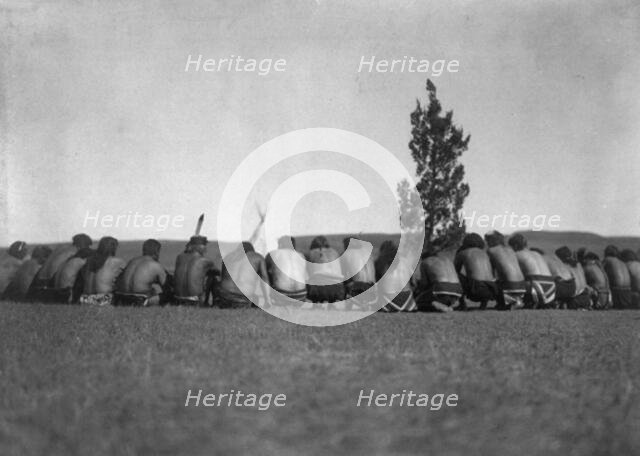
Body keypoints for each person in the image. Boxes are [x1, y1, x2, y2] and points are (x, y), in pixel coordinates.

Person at [31, 233, 92, 301]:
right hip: (59, 292)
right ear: (82, 245)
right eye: (88, 246)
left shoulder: (61, 249)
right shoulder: (76, 254)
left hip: (38, 289)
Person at [454, 233, 504, 310]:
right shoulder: (485, 253)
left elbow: (454, 270)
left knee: (455, 275)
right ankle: (483, 305)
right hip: (492, 290)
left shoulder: (463, 253)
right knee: (484, 279)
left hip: (476, 290)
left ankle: (462, 304)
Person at [114, 239, 170, 306]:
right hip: (139, 300)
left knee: (152, 290)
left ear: (143, 250)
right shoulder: (155, 265)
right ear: (157, 252)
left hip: (121, 298)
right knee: (168, 295)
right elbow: (166, 288)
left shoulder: (133, 261)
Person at [216, 241, 270, 308]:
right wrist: (267, 300)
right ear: (251, 251)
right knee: (256, 299)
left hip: (224, 296)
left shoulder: (228, 257)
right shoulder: (257, 257)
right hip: (242, 299)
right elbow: (264, 279)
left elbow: (222, 277)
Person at [508, 234, 556, 308]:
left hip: (537, 286)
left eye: (511, 247)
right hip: (551, 288)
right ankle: (536, 302)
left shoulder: (516, 255)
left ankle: (517, 301)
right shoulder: (537, 254)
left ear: (515, 246)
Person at [415, 244, 463, 312]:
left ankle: (436, 305)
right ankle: (449, 304)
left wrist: (417, 290)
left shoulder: (425, 262)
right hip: (457, 291)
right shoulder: (448, 260)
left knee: (418, 302)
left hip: (441, 289)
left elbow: (424, 284)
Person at [78, 237, 126, 306]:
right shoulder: (116, 261)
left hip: (84, 299)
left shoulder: (89, 260)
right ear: (113, 248)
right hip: (103, 299)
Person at [484, 231, 526, 310]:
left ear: (492, 240)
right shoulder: (510, 250)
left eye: (487, 240)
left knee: (488, 283)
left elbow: (490, 273)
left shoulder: (491, 250)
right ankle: (515, 301)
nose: (486, 243)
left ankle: (503, 303)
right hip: (522, 286)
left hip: (509, 286)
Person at [374, 240, 416, 312]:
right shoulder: (406, 261)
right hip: (407, 300)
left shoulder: (380, 261)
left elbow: (376, 282)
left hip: (388, 299)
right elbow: (413, 283)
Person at [173, 235, 215, 306]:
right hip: (195, 300)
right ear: (200, 247)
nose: (206, 248)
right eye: (204, 245)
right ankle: (207, 303)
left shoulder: (179, 257)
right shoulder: (205, 261)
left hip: (177, 298)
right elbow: (218, 272)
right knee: (213, 277)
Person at [265, 236, 307, 303]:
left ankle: (268, 299)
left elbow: (264, 275)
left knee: (266, 273)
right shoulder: (301, 255)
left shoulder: (272, 254)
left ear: (281, 244)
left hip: (282, 295)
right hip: (300, 296)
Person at [306, 236, 345, 304]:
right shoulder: (335, 252)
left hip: (319, 290)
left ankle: (316, 302)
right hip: (338, 290)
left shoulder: (311, 253)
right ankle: (332, 303)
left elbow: (309, 273)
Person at [340, 236, 377, 309]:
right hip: (372, 288)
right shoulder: (368, 253)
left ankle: (348, 302)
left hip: (357, 288)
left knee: (342, 278)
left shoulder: (346, 254)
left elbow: (342, 273)